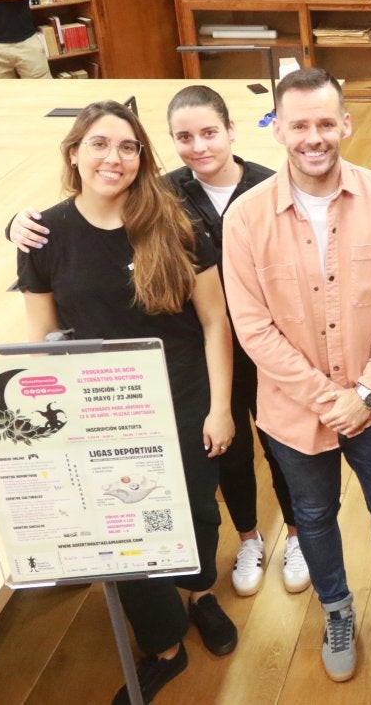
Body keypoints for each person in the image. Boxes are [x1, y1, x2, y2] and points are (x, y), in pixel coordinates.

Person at [9, 85, 309, 598]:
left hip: (263, 347)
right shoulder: (167, 196)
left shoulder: (264, 188)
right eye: (184, 137)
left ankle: (292, 538)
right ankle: (245, 541)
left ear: (232, 131)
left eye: (209, 132)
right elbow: (50, 309)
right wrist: (15, 226)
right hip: (178, 368)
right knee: (221, 464)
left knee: (279, 448)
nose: (199, 146)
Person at [224, 69, 371, 682]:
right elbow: (253, 328)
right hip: (295, 412)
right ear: (278, 130)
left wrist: (365, 392)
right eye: (299, 125)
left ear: (345, 124)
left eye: (326, 123)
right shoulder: (244, 219)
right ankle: (338, 610)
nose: (314, 137)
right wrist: (331, 399)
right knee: (315, 517)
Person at [16, 101, 237, 704]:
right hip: (101, 412)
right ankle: (164, 645)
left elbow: (215, 323)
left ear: (142, 157)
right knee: (127, 529)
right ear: (74, 153)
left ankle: (200, 595)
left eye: (128, 146)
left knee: (196, 508)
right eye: (99, 144)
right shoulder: (42, 235)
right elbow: (41, 339)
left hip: (184, 397)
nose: (113, 157)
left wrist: (220, 408)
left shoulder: (178, 223)